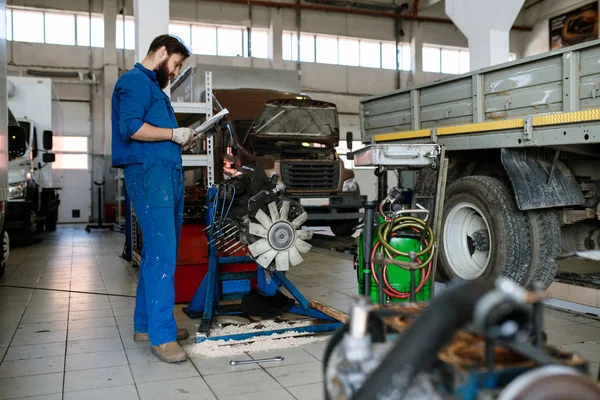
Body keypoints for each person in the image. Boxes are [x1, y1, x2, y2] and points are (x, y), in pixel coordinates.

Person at [111, 34, 197, 363]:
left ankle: (146, 324)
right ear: (161, 53)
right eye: (175, 64)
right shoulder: (133, 82)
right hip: (150, 175)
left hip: (165, 173)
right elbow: (130, 127)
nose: (175, 72)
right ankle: (162, 337)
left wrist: (179, 140)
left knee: (155, 253)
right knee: (162, 255)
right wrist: (173, 134)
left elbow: (155, 133)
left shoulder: (155, 91)